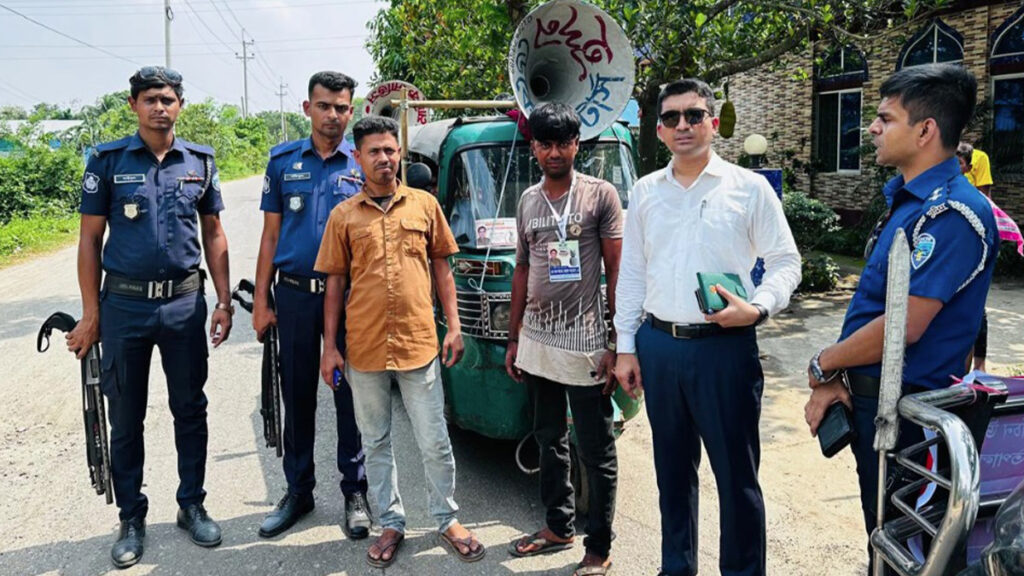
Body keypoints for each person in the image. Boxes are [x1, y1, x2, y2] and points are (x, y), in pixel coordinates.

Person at [803, 63, 998, 574]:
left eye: (885, 118)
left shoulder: (951, 213)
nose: (871, 128)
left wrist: (824, 364)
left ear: (925, 130)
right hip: (880, 404)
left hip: (913, 421)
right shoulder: (913, 204)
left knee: (914, 554)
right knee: (884, 539)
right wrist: (838, 376)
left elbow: (903, 326)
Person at [613, 78, 801, 576]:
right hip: (659, 347)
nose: (683, 126)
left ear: (713, 123)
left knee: (737, 476)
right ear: (658, 130)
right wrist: (627, 346)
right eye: (671, 117)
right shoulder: (645, 192)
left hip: (725, 349)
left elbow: (785, 262)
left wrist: (758, 308)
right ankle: (677, 568)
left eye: (693, 115)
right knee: (672, 474)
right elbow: (632, 273)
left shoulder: (748, 187)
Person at [64, 66, 232, 569]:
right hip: (126, 307)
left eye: (169, 99)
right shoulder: (108, 161)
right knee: (126, 416)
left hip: (183, 303)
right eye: (151, 99)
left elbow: (215, 233)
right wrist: (91, 313)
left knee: (190, 407)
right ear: (134, 104)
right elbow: (90, 240)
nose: (161, 107)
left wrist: (223, 301)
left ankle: (191, 504)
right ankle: (132, 517)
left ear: (181, 104)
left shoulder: (199, 161)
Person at [315, 116, 485, 568]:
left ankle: (446, 518)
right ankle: (391, 521)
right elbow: (334, 284)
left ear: (399, 154)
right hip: (364, 347)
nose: (385, 159)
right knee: (376, 441)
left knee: (434, 439)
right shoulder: (344, 216)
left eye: (391, 150)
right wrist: (330, 347)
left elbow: (443, 270)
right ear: (358, 157)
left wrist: (453, 325)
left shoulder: (425, 206)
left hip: (417, 343)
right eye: (375, 151)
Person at [503, 103, 622, 576]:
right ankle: (558, 526)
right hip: (537, 340)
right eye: (545, 143)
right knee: (548, 437)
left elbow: (617, 270)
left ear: (577, 145)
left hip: (586, 341)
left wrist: (617, 340)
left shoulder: (600, 195)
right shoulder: (529, 201)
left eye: (563, 143)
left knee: (595, 447)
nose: (555, 152)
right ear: (533, 148)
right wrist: (514, 340)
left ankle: (599, 546)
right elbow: (524, 269)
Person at [252, 71, 370, 540]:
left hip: (352, 300)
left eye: (342, 107)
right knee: (297, 394)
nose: (333, 116)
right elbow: (271, 236)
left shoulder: (363, 162)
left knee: (350, 395)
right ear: (307, 108)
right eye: (325, 106)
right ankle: (298, 491)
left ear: (351, 110)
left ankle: (355, 492)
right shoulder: (283, 162)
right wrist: (262, 300)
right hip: (297, 295)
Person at [956, 142, 990, 372]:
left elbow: (986, 195)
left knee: (976, 306)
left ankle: (978, 366)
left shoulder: (980, 158)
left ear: (967, 167)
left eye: (958, 163)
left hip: (975, 241)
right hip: (955, 246)